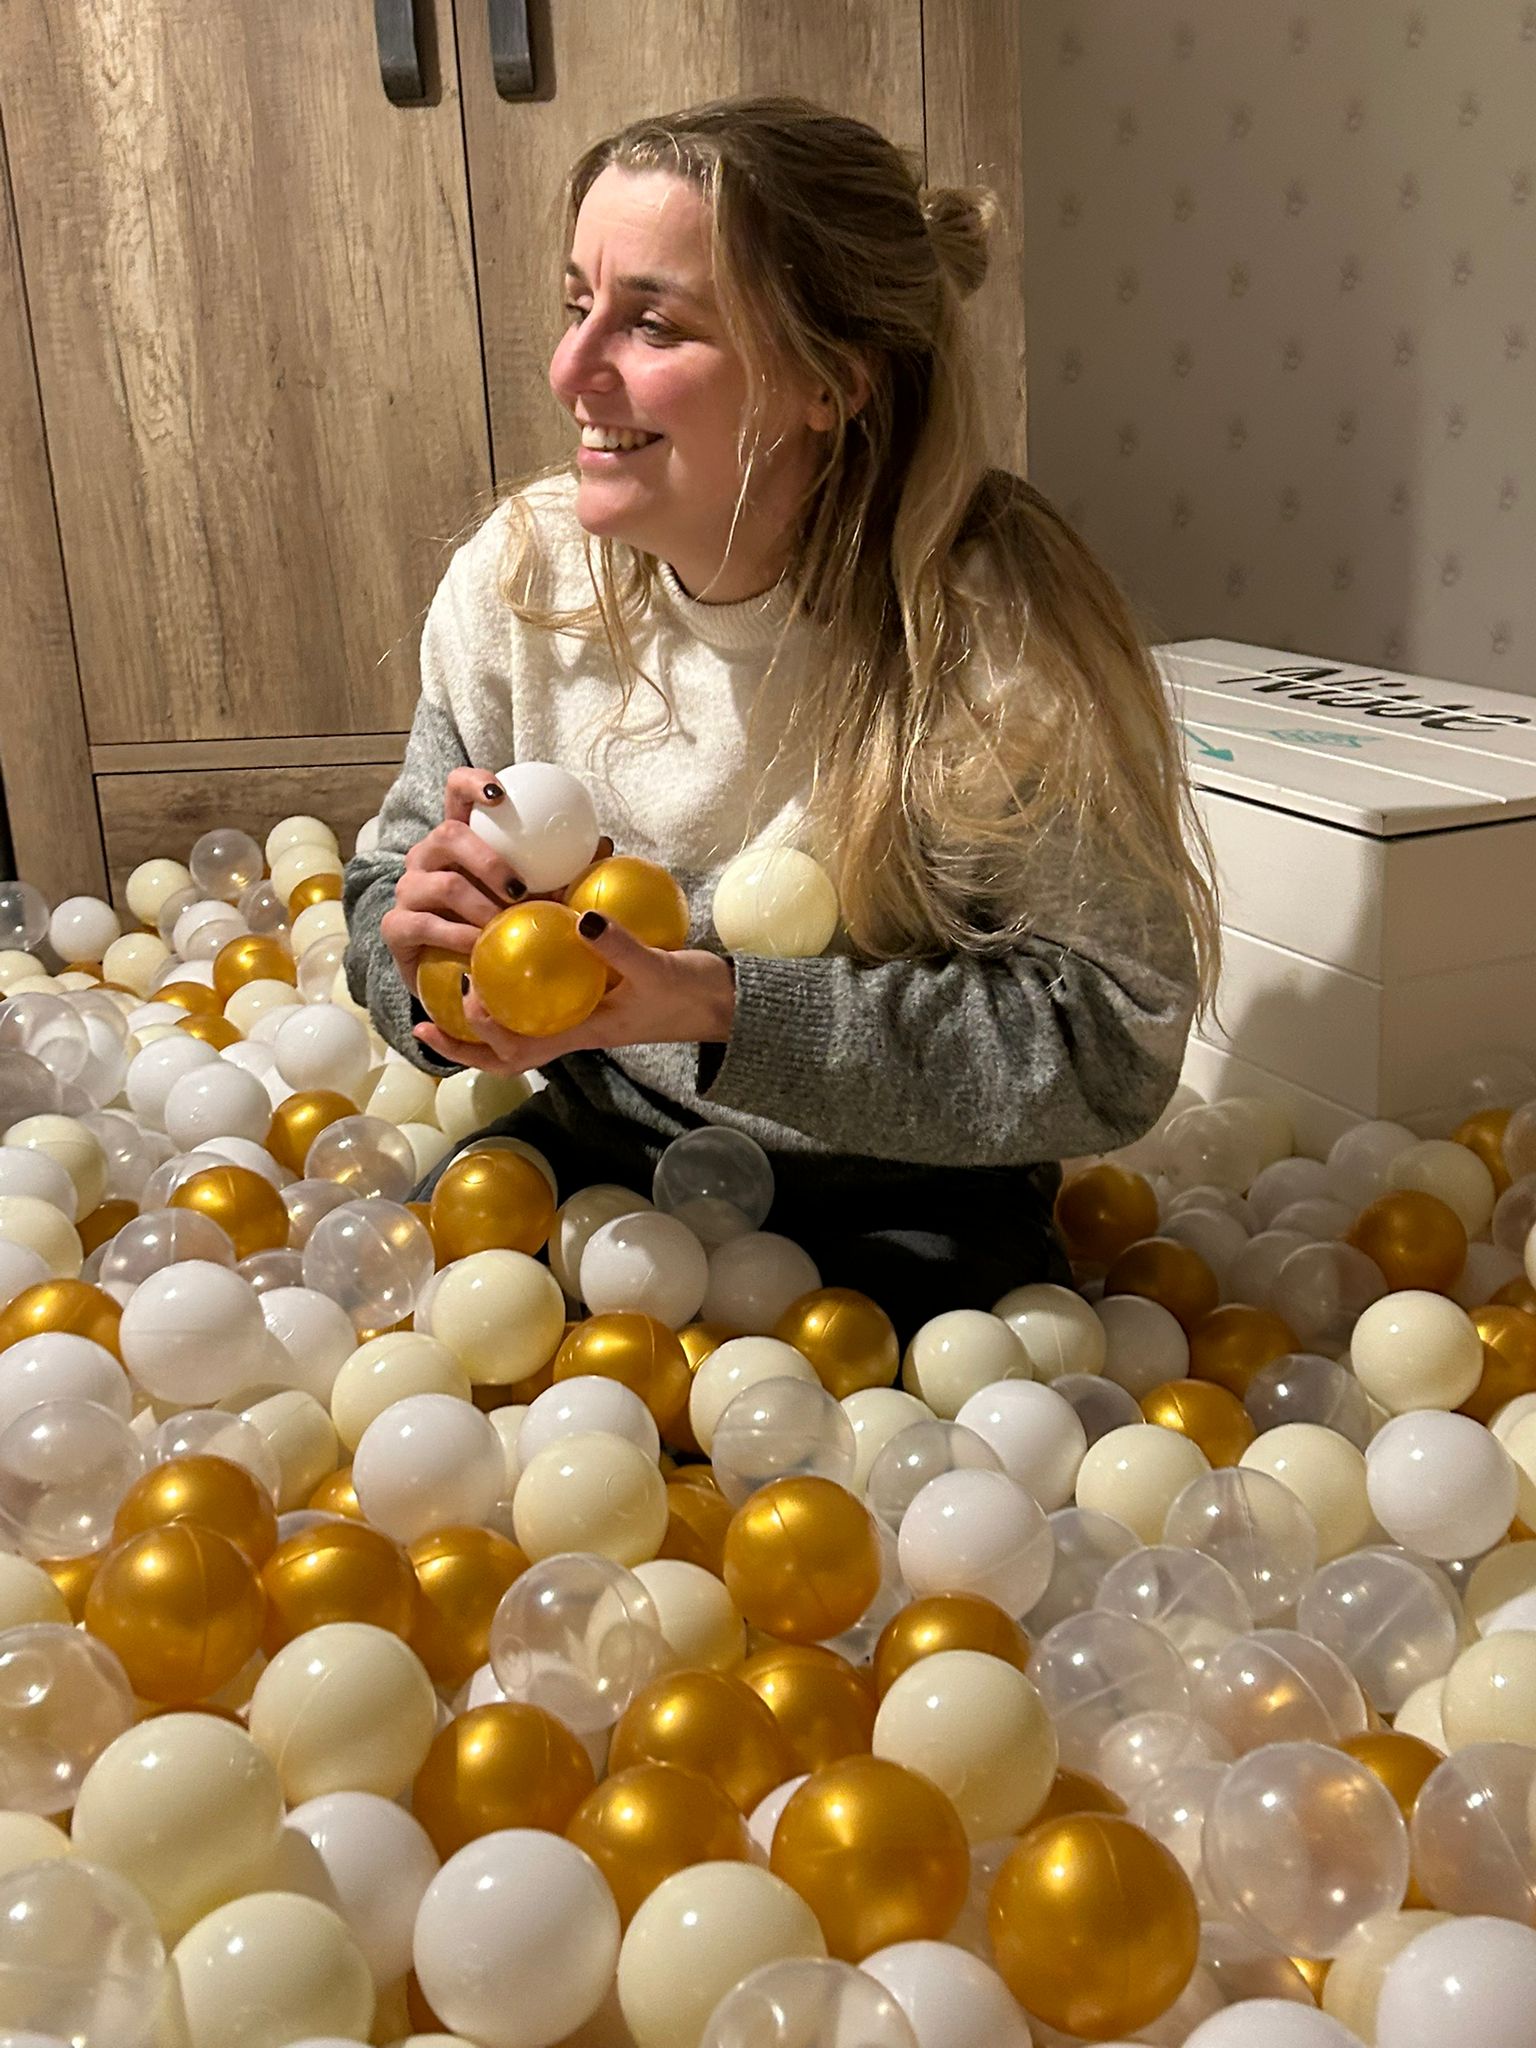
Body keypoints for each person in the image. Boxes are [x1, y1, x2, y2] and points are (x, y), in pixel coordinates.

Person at [344, 94, 1220, 1341]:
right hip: (604, 1146)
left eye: (652, 322)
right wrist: (426, 960)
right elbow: (385, 887)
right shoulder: (521, 582)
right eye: (576, 305)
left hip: (908, 1195)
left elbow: (1107, 1041)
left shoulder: (996, 637)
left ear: (829, 380)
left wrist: (721, 1006)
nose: (571, 370)